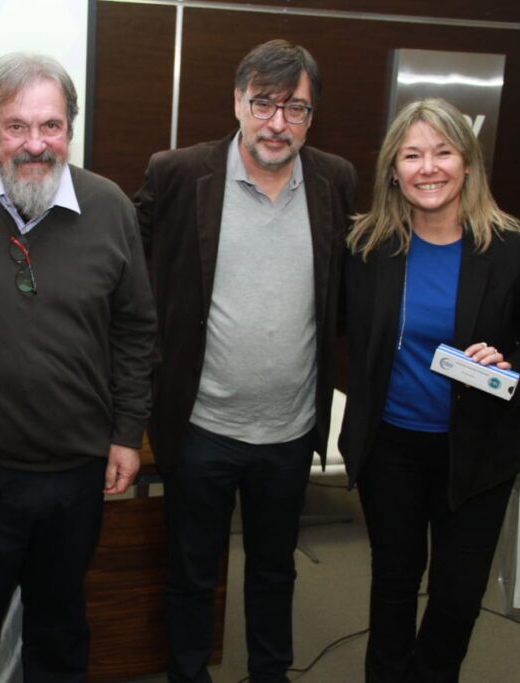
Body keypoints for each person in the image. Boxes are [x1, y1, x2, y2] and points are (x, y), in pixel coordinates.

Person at [0, 52, 156, 681]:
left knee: (59, 627)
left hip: (74, 472)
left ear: (70, 129)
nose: (34, 143)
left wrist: (127, 433)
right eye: (16, 126)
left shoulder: (110, 207)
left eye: (50, 125)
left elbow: (136, 329)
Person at [134, 39, 357, 682]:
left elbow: (349, 289)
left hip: (289, 430)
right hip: (200, 426)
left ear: (311, 117)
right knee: (190, 571)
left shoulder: (335, 181)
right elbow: (121, 265)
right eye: (263, 103)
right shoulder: (178, 174)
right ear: (237, 102)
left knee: (274, 570)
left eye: (295, 109)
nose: (277, 123)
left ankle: (269, 673)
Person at [340, 97, 520, 682]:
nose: (428, 168)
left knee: (458, 593)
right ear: (393, 170)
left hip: (479, 448)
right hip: (390, 447)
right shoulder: (366, 247)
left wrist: (510, 365)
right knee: (394, 581)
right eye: (411, 155)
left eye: (443, 152)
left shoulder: (512, 247)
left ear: (468, 163)